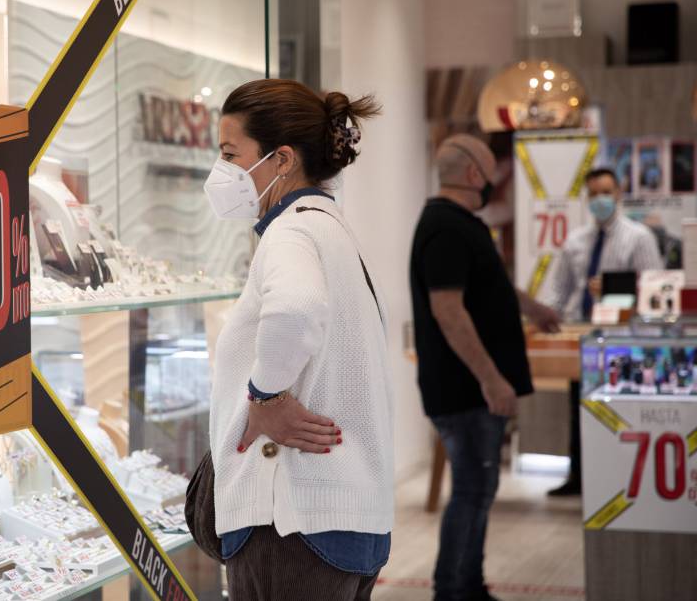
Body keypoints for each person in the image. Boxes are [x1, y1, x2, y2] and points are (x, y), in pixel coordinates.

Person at [205, 79, 393, 600]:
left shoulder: (290, 232)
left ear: (281, 159)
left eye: (229, 154)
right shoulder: (333, 230)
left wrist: (264, 397)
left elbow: (296, 308)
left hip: (291, 522)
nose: (221, 172)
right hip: (347, 517)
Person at [409, 134, 560, 601]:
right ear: (475, 174)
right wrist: (492, 379)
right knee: (472, 492)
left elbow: (484, 287)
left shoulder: (461, 224)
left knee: (479, 490)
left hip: (471, 390)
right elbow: (449, 311)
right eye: (492, 168)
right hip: (465, 391)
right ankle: (453, 590)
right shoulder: (447, 228)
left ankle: (468, 586)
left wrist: (531, 307)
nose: (496, 178)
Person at [544, 167, 663, 496]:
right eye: (594, 194)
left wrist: (613, 289)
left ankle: (617, 480)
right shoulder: (575, 241)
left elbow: (655, 290)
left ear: (619, 193)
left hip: (623, 339)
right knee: (577, 408)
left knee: (614, 410)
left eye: (606, 192)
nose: (600, 200)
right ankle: (578, 477)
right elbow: (559, 291)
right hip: (581, 336)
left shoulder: (638, 238)